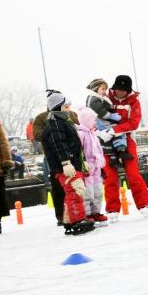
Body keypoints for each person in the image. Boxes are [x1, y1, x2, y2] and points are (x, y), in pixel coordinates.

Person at [97, 75, 148, 222]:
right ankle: (112, 209)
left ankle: (143, 204)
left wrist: (115, 130)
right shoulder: (105, 98)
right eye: (118, 90)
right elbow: (95, 115)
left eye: (123, 90)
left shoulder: (134, 102)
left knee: (133, 174)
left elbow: (134, 123)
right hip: (107, 140)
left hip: (127, 139)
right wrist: (99, 131)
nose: (120, 93)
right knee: (110, 176)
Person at [41, 91, 96, 236]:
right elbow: (59, 144)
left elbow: (74, 145)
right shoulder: (55, 124)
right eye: (66, 107)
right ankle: (77, 220)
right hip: (65, 166)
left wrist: (82, 162)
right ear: (58, 107)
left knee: (74, 191)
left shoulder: (64, 123)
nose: (69, 110)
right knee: (75, 191)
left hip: (72, 163)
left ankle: (68, 220)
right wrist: (65, 163)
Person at [33, 97, 79, 226]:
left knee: (75, 185)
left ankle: (77, 213)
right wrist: (54, 132)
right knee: (58, 188)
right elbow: (37, 134)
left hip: (73, 154)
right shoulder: (41, 117)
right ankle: (60, 215)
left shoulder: (71, 114)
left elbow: (78, 128)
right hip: (53, 156)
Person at [85, 78, 131, 162]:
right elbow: (101, 112)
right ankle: (120, 151)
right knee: (117, 131)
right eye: (102, 89)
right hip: (101, 122)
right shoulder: (93, 99)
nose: (104, 91)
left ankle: (117, 155)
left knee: (110, 136)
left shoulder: (99, 98)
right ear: (95, 88)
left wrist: (118, 107)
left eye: (105, 89)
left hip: (102, 122)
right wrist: (114, 116)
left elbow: (108, 106)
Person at [75, 107, 108, 226]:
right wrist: (83, 163)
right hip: (87, 168)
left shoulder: (93, 134)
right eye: (93, 120)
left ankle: (96, 212)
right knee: (88, 192)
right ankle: (87, 214)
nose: (95, 122)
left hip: (96, 167)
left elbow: (98, 150)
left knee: (98, 190)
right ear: (86, 121)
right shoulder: (81, 134)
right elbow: (79, 151)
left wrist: (101, 161)